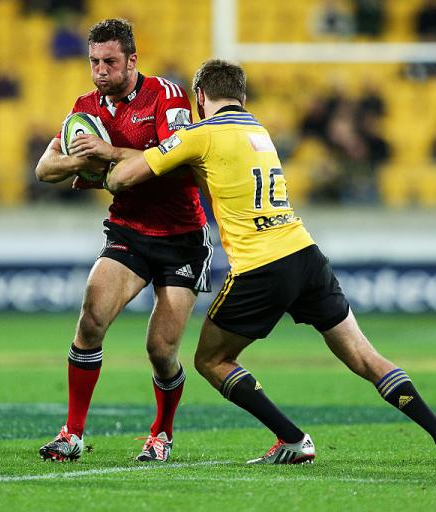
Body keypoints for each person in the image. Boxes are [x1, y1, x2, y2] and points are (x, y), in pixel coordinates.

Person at [80, 59, 436, 464]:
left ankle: (292, 438)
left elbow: (124, 178)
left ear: (199, 98)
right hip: (306, 254)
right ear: (242, 97)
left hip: (261, 266)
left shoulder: (199, 134)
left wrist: (101, 161)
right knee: (366, 358)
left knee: (210, 360)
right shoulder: (259, 129)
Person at [35, 19, 212, 462]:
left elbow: (177, 162)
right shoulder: (85, 108)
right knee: (91, 319)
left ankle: (162, 434)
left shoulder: (167, 96)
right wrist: (81, 162)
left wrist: (108, 155)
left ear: (132, 60)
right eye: (94, 61)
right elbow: (44, 169)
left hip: (181, 238)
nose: (100, 71)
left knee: (160, 350)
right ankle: (71, 433)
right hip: (128, 231)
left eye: (110, 62)